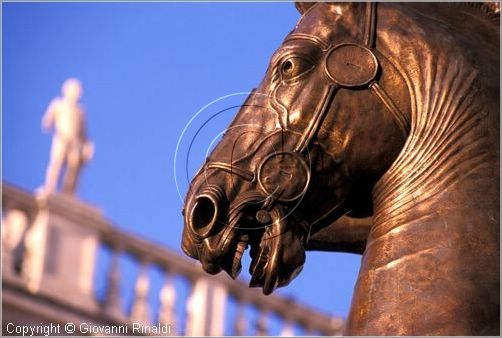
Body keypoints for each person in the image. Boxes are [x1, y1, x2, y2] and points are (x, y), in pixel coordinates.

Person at [42, 78, 94, 194]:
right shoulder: (58, 104)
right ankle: (50, 187)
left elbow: (83, 132)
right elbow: (47, 121)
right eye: (74, 90)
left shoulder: (80, 111)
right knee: (57, 163)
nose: (76, 93)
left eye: (78, 91)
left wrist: (87, 146)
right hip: (61, 138)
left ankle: (67, 193)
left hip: (75, 143)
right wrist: (52, 125)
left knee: (73, 167)